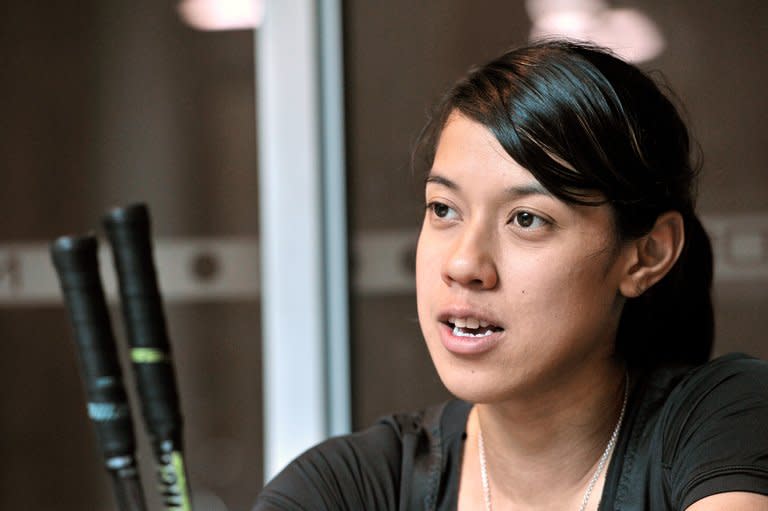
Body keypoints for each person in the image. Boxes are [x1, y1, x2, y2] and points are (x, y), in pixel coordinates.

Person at [254, 40, 768, 510]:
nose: (463, 265)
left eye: (527, 219)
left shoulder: (724, 423)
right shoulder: (346, 487)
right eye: (443, 209)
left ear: (645, 255)